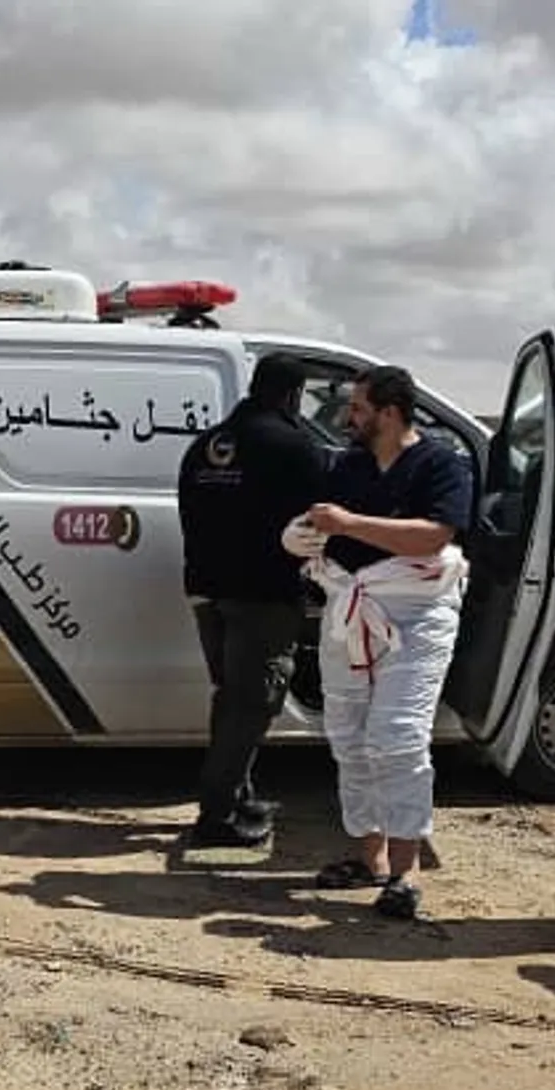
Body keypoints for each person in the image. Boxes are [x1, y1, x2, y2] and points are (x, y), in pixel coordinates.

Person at [283, 364, 472, 919]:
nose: (349, 417)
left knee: (399, 737)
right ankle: (371, 858)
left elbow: (433, 537)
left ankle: (407, 872)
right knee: (349, 736)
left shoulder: (441, 464)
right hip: (350, 611)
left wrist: (348, 524)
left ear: (389, 413)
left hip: (417, 617)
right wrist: (301, 536)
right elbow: (322, 525)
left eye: (359, 408)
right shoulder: (349, 467)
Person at [176, 351, 330, 847]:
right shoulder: (294, 446)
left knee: (231, 697)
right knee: (251, 704)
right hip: (263, 595)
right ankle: (216, 818)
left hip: (206, 590)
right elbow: (319, 520)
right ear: (293, 395)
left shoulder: (205, 445)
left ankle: (238, 795)